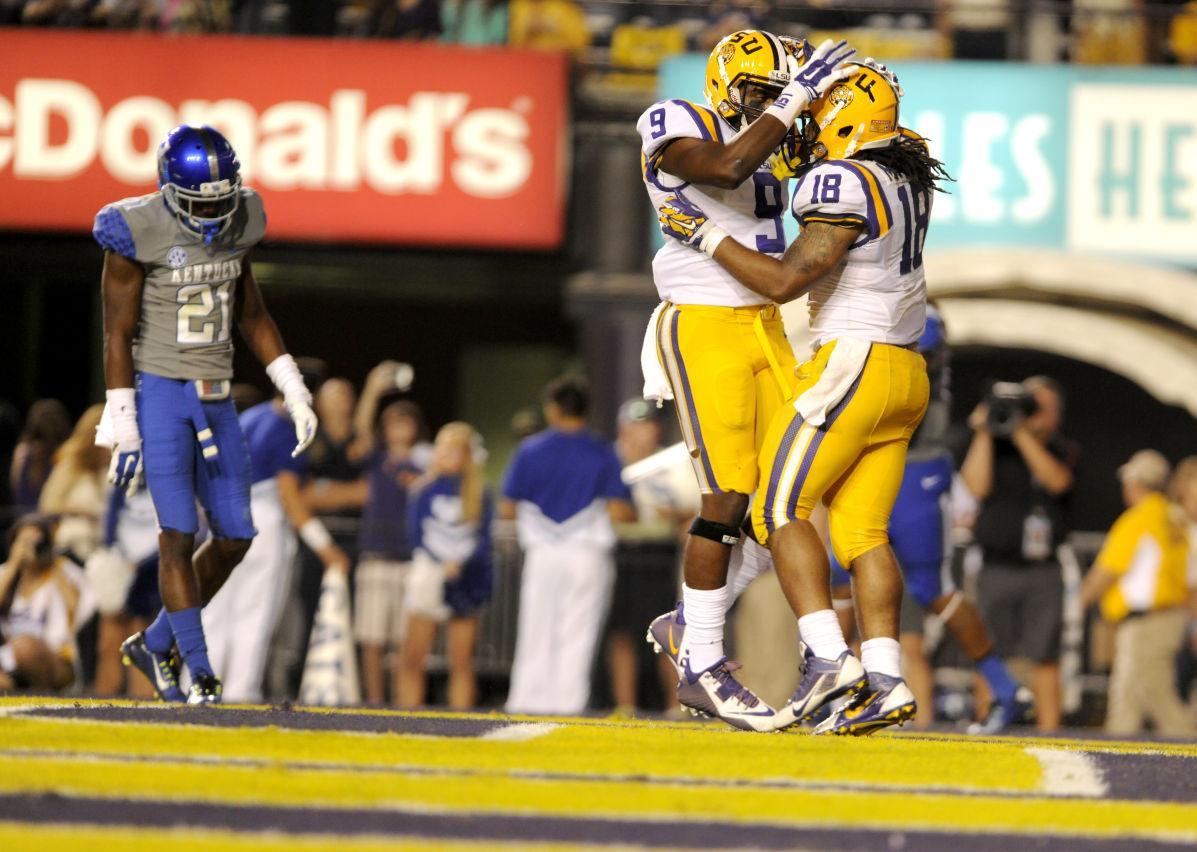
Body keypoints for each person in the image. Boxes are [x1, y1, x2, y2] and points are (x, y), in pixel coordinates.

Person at [657, 63, 951, 735]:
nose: (807, 126)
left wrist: (704, 235)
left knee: (775, 506)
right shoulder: (904, 172)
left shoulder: (841, 180)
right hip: (905, 374)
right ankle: (882, 677)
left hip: (854, 363)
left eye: (819, 111)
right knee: (862, 535)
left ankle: (826, 658)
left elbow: (786, 280)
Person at [637, 30, 858, 731]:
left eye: (773, 92)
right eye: (756, 91)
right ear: (723, 82)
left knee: (788, 496)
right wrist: (790, 101)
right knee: (726, 497)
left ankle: (689, 623)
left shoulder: (777, 137)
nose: (765, 103)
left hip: (764, 321)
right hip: (703, 321)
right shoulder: (679, 121)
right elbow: (728, 167)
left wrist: (840, 107)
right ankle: (700, 661)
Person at [95, 124, 318, 705]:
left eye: (224, 198)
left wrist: (292, 385)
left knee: (239, 535)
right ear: (170, 191)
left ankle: (157, 643)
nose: (217, 212)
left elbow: (253, 314)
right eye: (203, 201)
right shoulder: (134, 229)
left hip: (217, 394)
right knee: (177, 532)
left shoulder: (243, 218)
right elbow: (116, 335)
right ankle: (201, 674)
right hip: (163, 391)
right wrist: (123, 420)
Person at [827, 307, 1031, 733]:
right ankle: (827, 688)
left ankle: (1004, 688)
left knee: (932, 588)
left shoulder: (920, 313)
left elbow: (916, 352)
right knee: (840, 572)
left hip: (915, 468)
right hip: (870, 462)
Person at [201, 388, 349, 704]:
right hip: (262, 521)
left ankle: (199, 687)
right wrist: (324, 546)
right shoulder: (286, 425)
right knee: (254, 612)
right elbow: (289, 495)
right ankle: (240, 692)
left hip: (223, 514)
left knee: (215, 609)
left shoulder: (251, 417)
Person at [502, 376, 635, 715]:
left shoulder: (530, 450)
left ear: (553, 409)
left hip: (544, 553)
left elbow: (507, 506)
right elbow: (620, 511)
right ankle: (568, 704)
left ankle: (526, 701)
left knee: (536, 627)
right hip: (587, 553)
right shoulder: (602, 451)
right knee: (579, 631)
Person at [961, 376, 1079, 732]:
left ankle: (1049, 731)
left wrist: (1022, 434)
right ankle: (987, 720)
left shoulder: (1064, 449)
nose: (1030, 413)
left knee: (1045, 655)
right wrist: (985, 430)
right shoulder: (996, 447)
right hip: (996, 566)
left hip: (1042, 571)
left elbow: (1057, 481)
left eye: (1039, 407)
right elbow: (975, 486)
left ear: (1056, 414)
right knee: (987, 651)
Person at [1081, 450, 1195, 737]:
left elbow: (1107, 571)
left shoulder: (1140, 519)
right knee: (1126, 702)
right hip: (1168, 617)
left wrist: (1078, 602)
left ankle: (1190, 754)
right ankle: (1114, 766)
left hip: (1148, 622)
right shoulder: (1174, 519)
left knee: (1158, 698)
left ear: (1134, 483)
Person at [397, 422, 494, 709]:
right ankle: (407, 720)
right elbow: (415, 536)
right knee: (413, 657)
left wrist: (460, 564)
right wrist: (441, 562)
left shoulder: (478, 492)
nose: (445, 455)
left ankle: (461, 725)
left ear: (467, 455)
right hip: (428, 573)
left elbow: (484, 538)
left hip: (464, 577)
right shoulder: (423, 489)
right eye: (442, 449)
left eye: (453, 450)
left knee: (462, 661)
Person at [355, 387, 427, 705]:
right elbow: (360, 432)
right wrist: (372, 389)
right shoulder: (376, 458)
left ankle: (400, 703)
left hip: (409, 559)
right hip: (375, 555)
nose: (399, 429)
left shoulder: (425, 465)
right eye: (392, 423)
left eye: (405, 422)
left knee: (402, 641)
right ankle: (374, 701)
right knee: (372, 638)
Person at [0, 515, 80, 692]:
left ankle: (44, 694)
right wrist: (14, 563)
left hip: (56, 659)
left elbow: (77, 609)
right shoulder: (6, 573)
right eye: (26, 541)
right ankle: (18, 691)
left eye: (38, 541)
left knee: (24, 647)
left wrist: (53, 561)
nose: (32, 547)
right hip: (10, 661)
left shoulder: (62, 570)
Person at [38, 405, 110, 564]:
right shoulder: (70, 466)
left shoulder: (110, 471)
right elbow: (48, 506)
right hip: (71, 545)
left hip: (102, 548)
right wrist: (82, 512)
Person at [9, 399, 71, 514]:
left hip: (45, 518)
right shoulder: (22, 453)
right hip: (29, 519)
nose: (37, 449)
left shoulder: (21, 452)